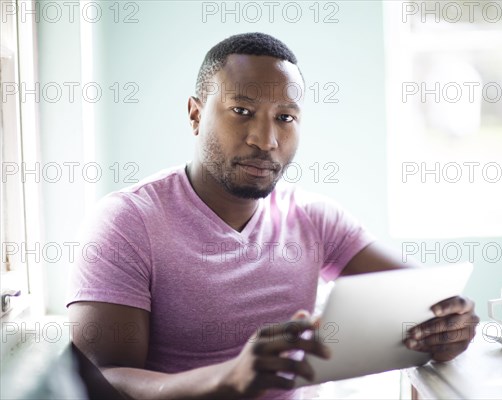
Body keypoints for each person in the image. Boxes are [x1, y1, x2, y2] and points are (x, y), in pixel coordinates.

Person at [67, 32, 479, 399]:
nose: (265, 140)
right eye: (242, 111)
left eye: (285, 118)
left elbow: (425, 299)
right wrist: (226, 380)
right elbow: (99, 381)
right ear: (195, 114)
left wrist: (449, 327)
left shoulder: (314, 218)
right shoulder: (126, 222)